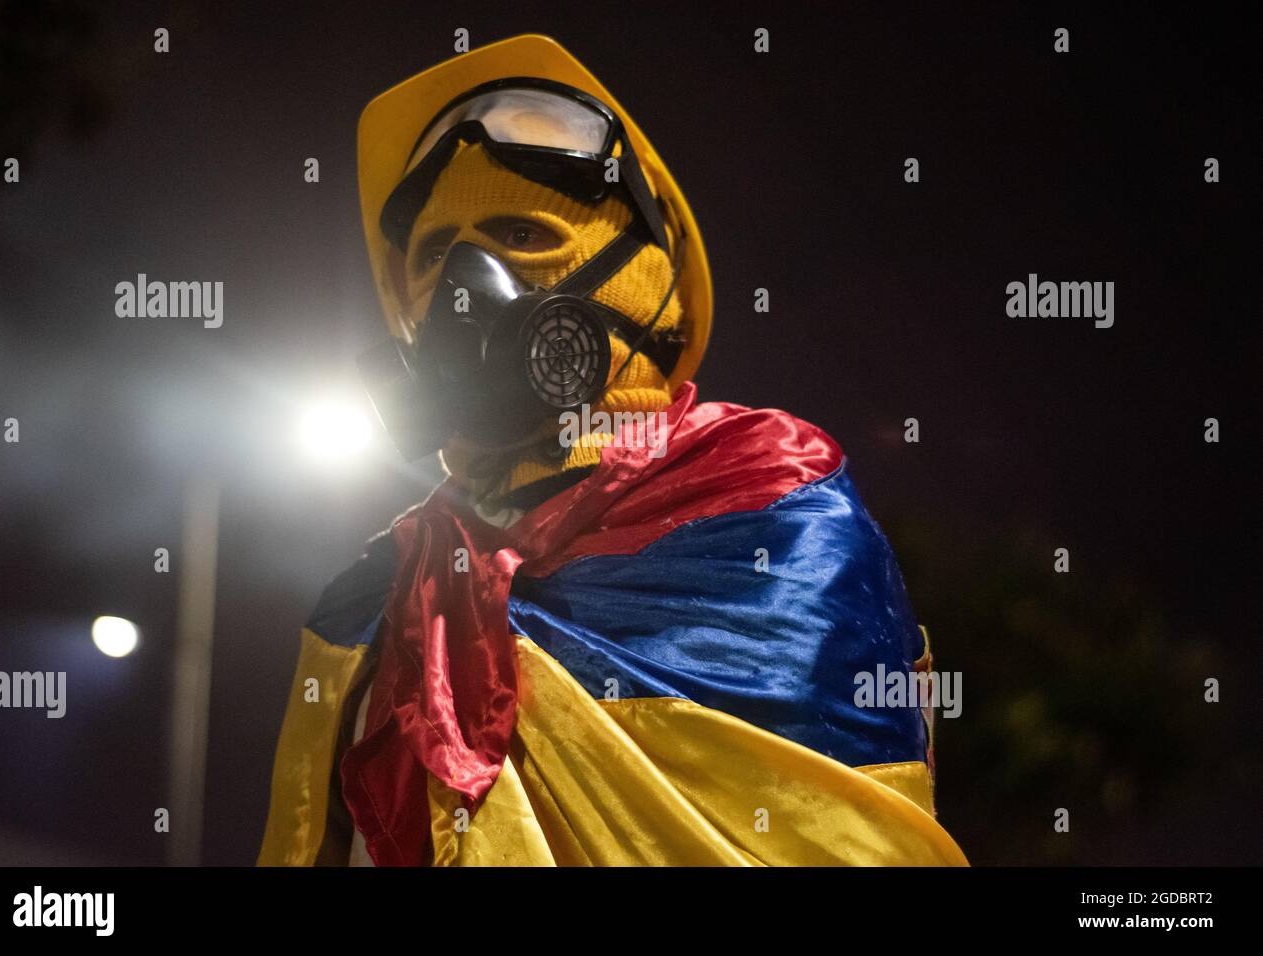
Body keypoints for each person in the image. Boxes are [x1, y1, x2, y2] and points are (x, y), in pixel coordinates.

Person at [258, 34, 967, 867]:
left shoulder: (767, 510)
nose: (464, 295)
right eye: (435, 262)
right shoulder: (368, 603)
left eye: (522, 233)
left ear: (644, 275)